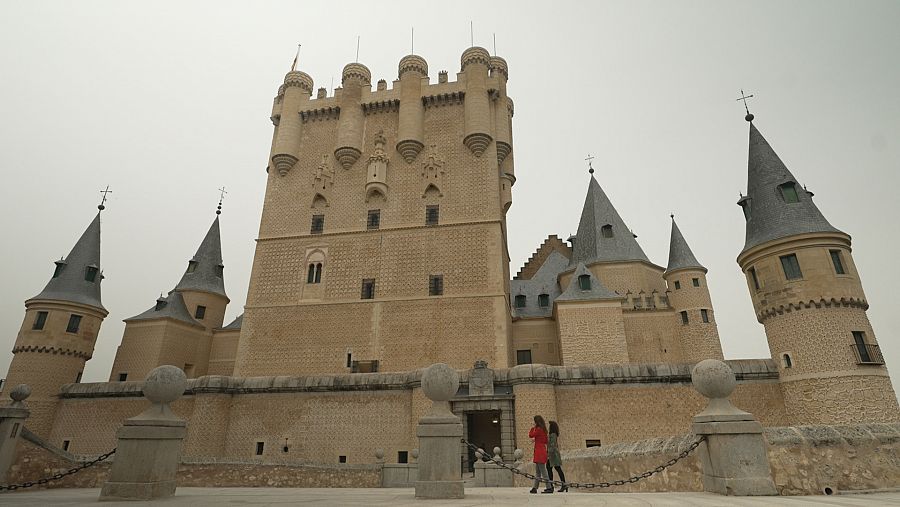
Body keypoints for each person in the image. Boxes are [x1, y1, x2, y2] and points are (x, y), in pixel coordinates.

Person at [528, 415, 552, 494]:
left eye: (534, 421)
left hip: (539, 452)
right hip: (542, 451)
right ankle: (535, 488)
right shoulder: (543, 430)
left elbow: (530, 435)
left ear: (536, 422)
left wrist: (532, 428)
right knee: (538, 472)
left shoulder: (538, 429)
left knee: (543, 472)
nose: (533, 423)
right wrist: (536, 440)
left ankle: (549, 487)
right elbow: (545, 441)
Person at [547, 420, 568, 492]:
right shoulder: (554, 434)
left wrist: (548, 454)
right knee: (557, 469)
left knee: (550, 469)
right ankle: (563, 484)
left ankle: (551, 486)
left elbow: (552, 445)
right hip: (554, 455)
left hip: (553, 455)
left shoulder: (552, 434)